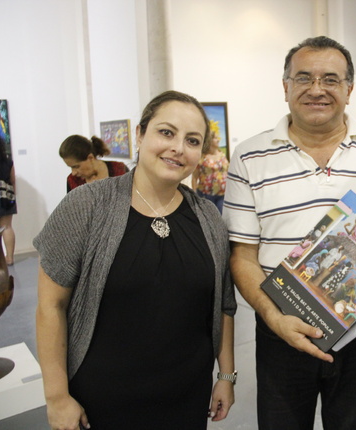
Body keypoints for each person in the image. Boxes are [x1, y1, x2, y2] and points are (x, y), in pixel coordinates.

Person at [224, 36, 356, 430]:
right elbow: (242, 257)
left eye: (330, 79)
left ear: (349, 89)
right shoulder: (249, 157)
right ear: (285, 87)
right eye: (304, 78)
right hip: (278, 326)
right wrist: (274, 318)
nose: (316, 89)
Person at [35, 91, 237, 430]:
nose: (178, 148)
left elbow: (223, 306)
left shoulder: (208, 219)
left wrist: (226, 376)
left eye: (192, 140)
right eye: (166, 132)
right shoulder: (87, 205)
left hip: (186, 397)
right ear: (140, 135)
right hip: (101, 401)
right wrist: (56, 396)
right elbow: (50, 307)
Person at [59, 134, 128, 192]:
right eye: (71, 167)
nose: (74, 173)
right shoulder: (72, 181)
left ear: (90, 158)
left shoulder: (120, 169)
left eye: (76, 166)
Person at [192, 127, 229, 213]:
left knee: (221, 219)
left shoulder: (222, 155)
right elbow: (194, 177)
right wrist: (194, 195)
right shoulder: (202, 157)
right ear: (209, 140)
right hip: (206, 195)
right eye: (215, 138)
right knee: (209, 219)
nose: (218, 140)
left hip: (223, 194)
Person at [0, 133, 16, 265]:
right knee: (7, 227)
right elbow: (12, 180)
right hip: (5, 196)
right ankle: (9, 258)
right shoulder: (8, 161)